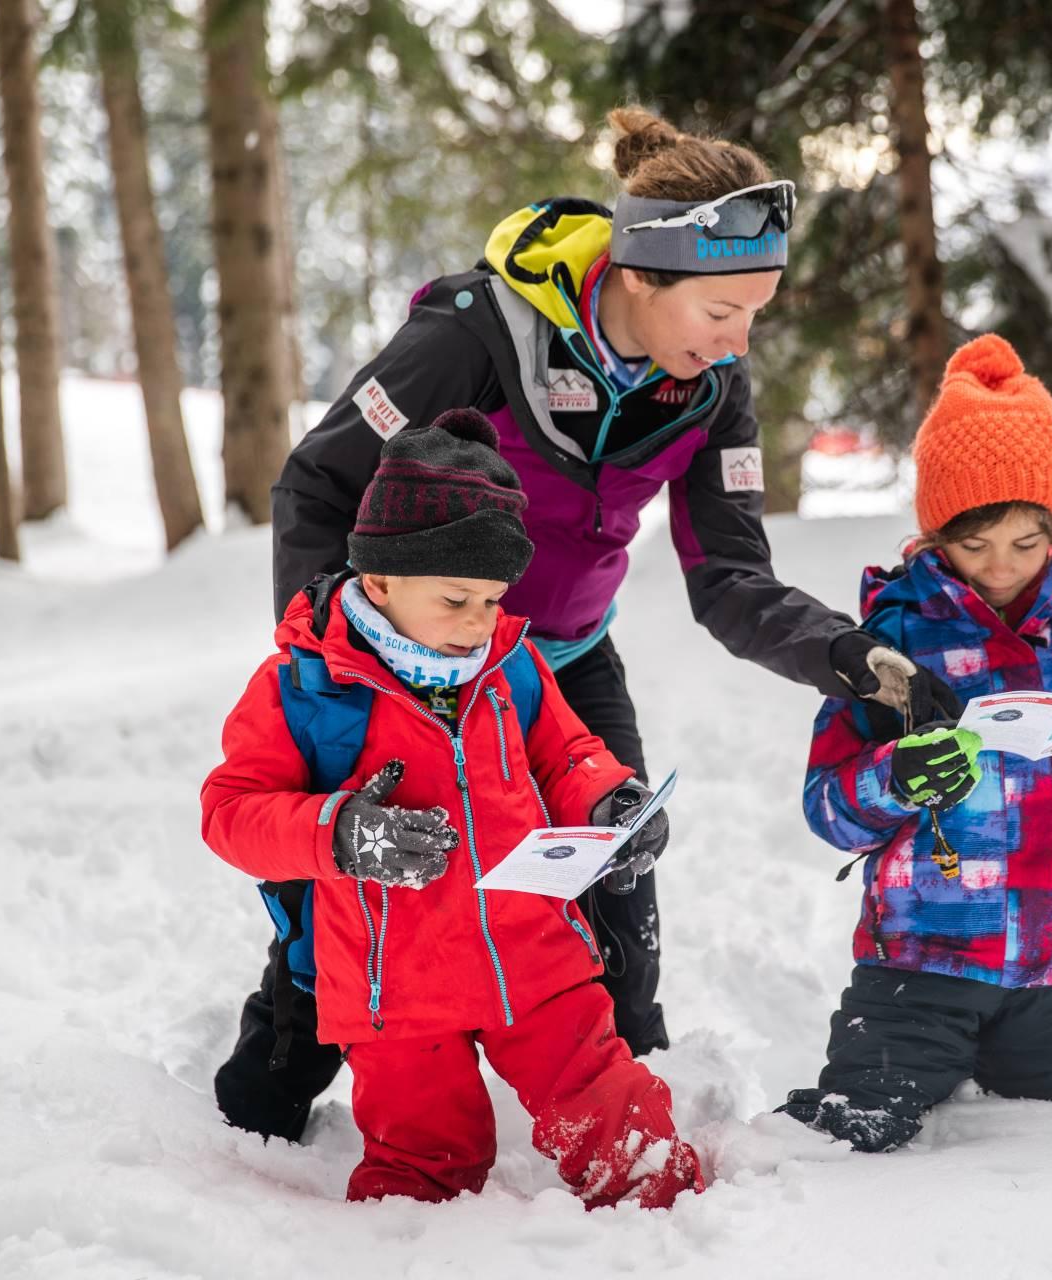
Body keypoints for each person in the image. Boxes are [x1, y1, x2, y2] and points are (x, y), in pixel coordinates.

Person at [215, 106, 923, 1141]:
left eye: (754, 314)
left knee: (617, 888)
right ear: (639, 276)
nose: (737, 343)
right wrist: (336, 654)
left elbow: (729, 577)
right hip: (401, 669)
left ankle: (623, 1128)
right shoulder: (473, 334)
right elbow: (319, 483)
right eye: (722, 310)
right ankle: (259, 1113)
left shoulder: (709, 388)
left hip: (563, 665)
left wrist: (849, 657)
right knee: (363, 899)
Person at [200, 409, 704, 1207]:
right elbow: (231, 812)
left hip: (535, 955)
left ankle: (677, 1232)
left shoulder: (512, 663)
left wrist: (613, 800)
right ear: (381, 582)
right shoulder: (305, 686)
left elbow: (566, 753)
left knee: (617, 1118)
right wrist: (341, 831)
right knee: (421, 1166)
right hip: (397, 988)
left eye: (494, 598)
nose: (479, 624)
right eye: (457, 598)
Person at [779, 334, 1052, 1153]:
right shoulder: (895, 644)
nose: (1000, 568)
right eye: (972, 544)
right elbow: (829, 808)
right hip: (924, 964)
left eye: (1026, 543)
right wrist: (898, 777)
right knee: (851, 1141)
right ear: (934, 536)